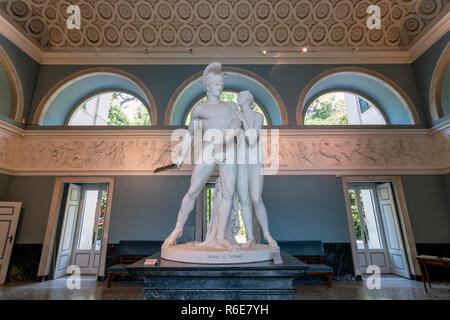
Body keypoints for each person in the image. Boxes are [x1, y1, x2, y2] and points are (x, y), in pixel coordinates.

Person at [162, 62, 241, 249]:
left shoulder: (230, 105)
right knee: (194, 189)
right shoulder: (199, 109)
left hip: (228, 148)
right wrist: (181, 157)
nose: (220, 86)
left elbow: (236, 125)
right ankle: (177, 230)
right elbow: (190, 134)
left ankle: (221, 236)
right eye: (216, 83)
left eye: (221, 83)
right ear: (207, 86)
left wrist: (225, 140)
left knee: (228, 191)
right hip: (208, 148)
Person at [236, 90, 278, 248]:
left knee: (256, 198)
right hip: (240, 162)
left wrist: (243, 121)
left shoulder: (257, 116)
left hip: (254, 161)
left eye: (239, 96)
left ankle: (267, 235)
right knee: (244, 202)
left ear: (248, 99)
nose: (236, 98)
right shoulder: (235, 118)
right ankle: (250, 237)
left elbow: (252, 139)